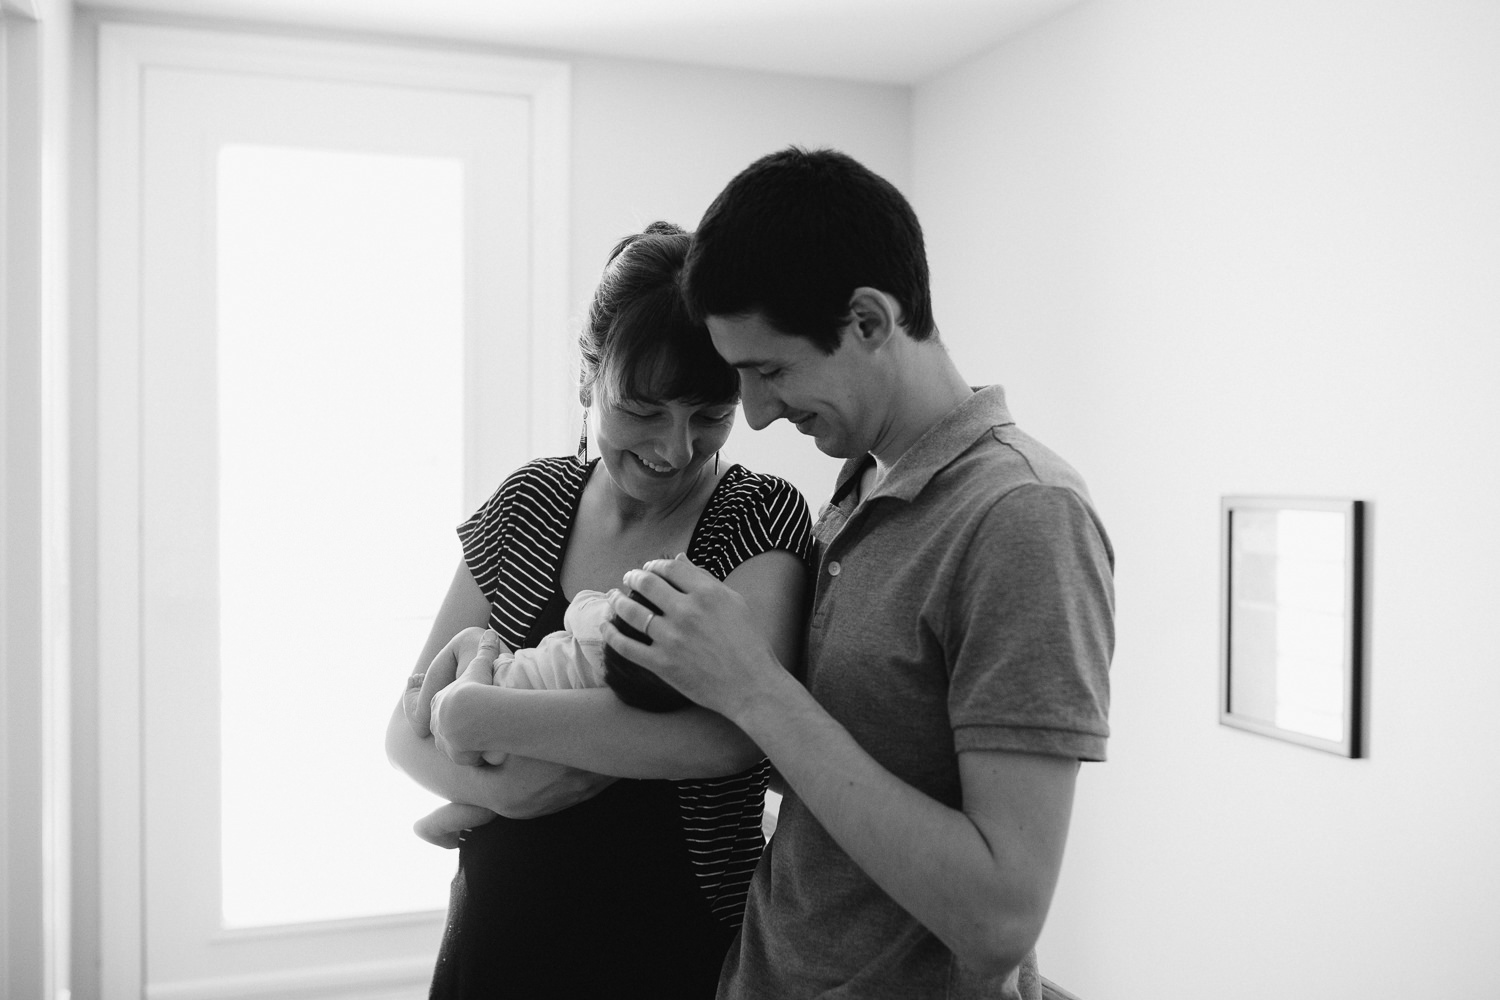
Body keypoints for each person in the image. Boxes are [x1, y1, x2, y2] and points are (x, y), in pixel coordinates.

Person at [601, 149, 1114, 1000]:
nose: (757, 414)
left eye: (770, 371)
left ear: (870, 321)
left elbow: (999, 918)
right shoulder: (860, 488)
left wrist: (754, 688)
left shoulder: (1023, 516)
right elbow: (843, 774)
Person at [385, 221, 814, 999]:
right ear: (588, 380)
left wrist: (490, 724)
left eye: (708, 413)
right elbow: (405, 725)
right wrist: (504, 789)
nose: (676, 449)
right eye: (643, 410)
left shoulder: (760, 518)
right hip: (497, 942)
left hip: (678, 954)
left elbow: (725, 734)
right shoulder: (529, 503)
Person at [411, 589, 687, 849]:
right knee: (500, 794)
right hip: (548, 747)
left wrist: (613, 597)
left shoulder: (606, 625)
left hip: (502, 690)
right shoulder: (660, 682)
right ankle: (436, 825)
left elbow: (579, 605)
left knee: (472, 639)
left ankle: (418, 709)